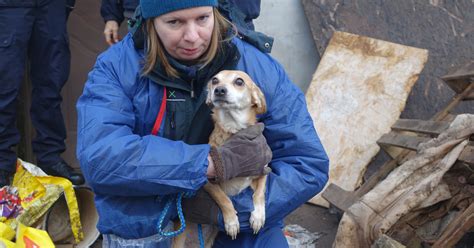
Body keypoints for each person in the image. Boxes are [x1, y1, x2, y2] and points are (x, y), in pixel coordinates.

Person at [76, 0, 329, 247]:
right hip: (147, 224)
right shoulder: (117, 68)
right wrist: (211, 165)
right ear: (152, 21)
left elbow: (307, 163)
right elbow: (101, 159)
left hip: (242, 223)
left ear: (215, 12)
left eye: (202, 19)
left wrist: (229, 211)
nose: (192, 36)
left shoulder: (255, 67)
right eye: (174, 22)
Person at [0, 0, 85, 187]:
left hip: (51, 6)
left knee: (51, 85)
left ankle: (50, 158)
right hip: (9, 7)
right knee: (5, 87)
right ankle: (2, 164)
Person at [101, 0, 274, 53]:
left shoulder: (253, 62)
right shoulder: (119, 66)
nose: (191, 36)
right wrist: (111, 15)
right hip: (147, 17)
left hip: (234, 21)